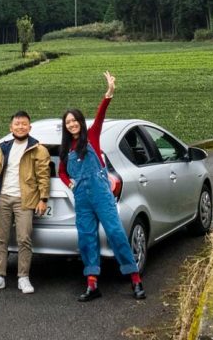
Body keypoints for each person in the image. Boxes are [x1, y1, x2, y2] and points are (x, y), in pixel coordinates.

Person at [58, 70, 146, 301]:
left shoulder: (92, 137)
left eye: (75, 120)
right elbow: (61, 171)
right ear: (65, 126)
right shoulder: (66, 148)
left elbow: (100, 115)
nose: (72, 124)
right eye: (68, 122)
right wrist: (71, 182)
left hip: (101, 194)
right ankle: (92, 284)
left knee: (116, 233)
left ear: (80, 122)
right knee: (86, 238)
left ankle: (135, 280)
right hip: (82, 199)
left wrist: (109, 92)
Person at [0, 110, 51, 294]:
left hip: (25, 199)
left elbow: (44, 176)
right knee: (0, 239)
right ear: (11, 127)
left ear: (30, 127)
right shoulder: (4, 147)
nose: (20, 126)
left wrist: (43, 199)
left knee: (24, 239)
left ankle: (23, 277)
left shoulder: (38, 149)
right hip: (3, 197)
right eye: (17, 124)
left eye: (24, 123)